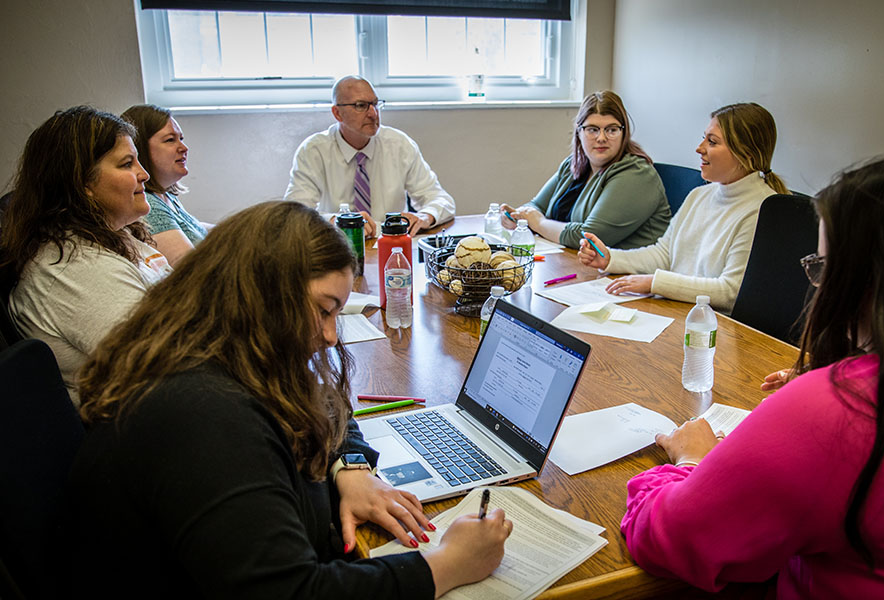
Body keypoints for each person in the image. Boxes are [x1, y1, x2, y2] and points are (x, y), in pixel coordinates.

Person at [68, 201, 511, 598]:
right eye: (323, 309)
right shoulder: (203, 416)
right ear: (260, 293)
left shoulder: (224, 353)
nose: (331, 335)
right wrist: (448, 564)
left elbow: (321, 398)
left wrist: (351, 467)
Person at [620, 158, 884, 598]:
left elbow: (671, 537)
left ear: (866, 280)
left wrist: (692, 461)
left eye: (825, 268)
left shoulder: (839, 409)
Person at [0, 106, 171, 402]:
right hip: (138, 421)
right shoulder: (73, 268)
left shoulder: (121, 235)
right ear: (83, 184)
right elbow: (163, 364)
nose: (144, 174)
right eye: (127, 164)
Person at [578, 103, 789, 313]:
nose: (700, 148)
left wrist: (655, 283)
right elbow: (664, 254)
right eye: (704, 137)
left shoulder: (762, 211)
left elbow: (730, 292)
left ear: (746, 154)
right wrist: (611, 258)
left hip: (712, 326)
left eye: (712, 142)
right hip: (675, 310)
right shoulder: (700, 195)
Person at [284, 75, 455, 237]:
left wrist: (425, 216)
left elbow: (441, 200)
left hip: (393, 246)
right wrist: (337, 221)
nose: (373, 113)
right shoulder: (314, 150)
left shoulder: (399, 145)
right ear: (337, 113)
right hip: (337, 246)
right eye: (360, 105)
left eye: (375, 104)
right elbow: (294, 213)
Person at [500, 91, 669, 250]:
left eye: (611, 130)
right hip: (574, 264)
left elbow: (590, 238)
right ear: (579, 132)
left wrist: (538, 224)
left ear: (624, 133)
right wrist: (518, 218)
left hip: (624, 275)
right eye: (592, 129)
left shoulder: (636, 174)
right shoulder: (573, 165)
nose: (601, 138)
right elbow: (536, 207)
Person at [122, 104, 212, 265]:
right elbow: (190, 268)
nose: (184, 148)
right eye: (170, 140)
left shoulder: (165, 196)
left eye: (181, 139)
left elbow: (196, 227)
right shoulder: (149, 206)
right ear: (139, 149)